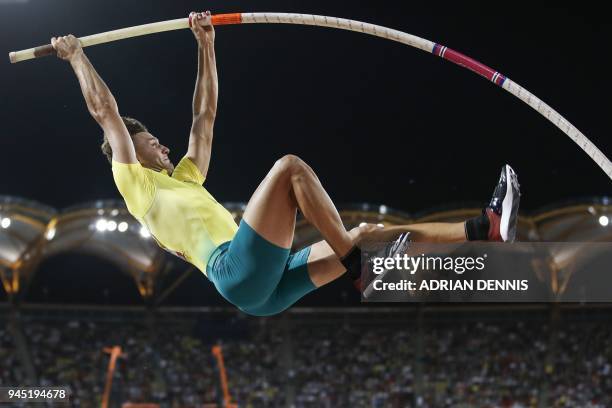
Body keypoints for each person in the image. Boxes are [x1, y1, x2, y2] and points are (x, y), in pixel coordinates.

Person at [51, 11, 520, 316]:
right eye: (153, 143)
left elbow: (204, 114)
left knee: (362, 234)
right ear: (134, 154)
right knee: (291, 169)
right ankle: (361, 269)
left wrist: (207, 44)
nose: (165, 148)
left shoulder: (185, 180)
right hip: (235, 270)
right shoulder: (138, 184)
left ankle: (484, 228)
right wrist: (77, 57)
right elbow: (106, 113)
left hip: (261, 285)